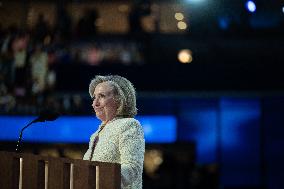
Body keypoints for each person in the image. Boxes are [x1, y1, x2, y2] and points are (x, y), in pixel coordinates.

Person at [83, 75, 145, 189]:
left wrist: (99, 180)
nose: (94, 104)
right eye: (94, 98)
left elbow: (132, 168)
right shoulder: (95, 134)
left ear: (120, 99)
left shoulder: (129, 125)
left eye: (101, 96)